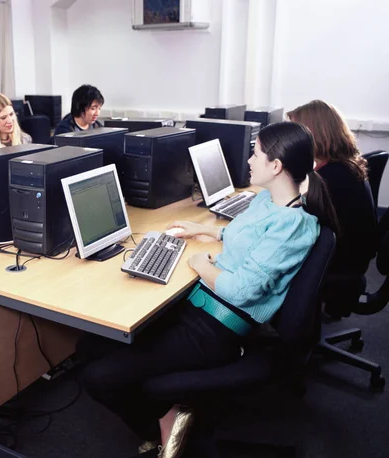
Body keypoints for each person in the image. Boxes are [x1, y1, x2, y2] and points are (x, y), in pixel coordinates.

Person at [79, 122, 338, 458]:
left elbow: (242, 289)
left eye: (255, 153)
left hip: (216, 330)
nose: (248, 160)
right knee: (89, 345)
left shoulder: (295, 226)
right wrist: (203, 230)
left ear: (275, 166)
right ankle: (166, 413)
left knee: (98, 377)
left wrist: (202, 264)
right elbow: (244, 237)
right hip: (196, 307)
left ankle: (166, 423)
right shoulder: (267, 201)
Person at [287, 100, 377, 318]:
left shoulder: (331, 178)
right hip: (352, 257)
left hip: (338, 263)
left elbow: (295, 224)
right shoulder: (342, 165)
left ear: (314, 134)